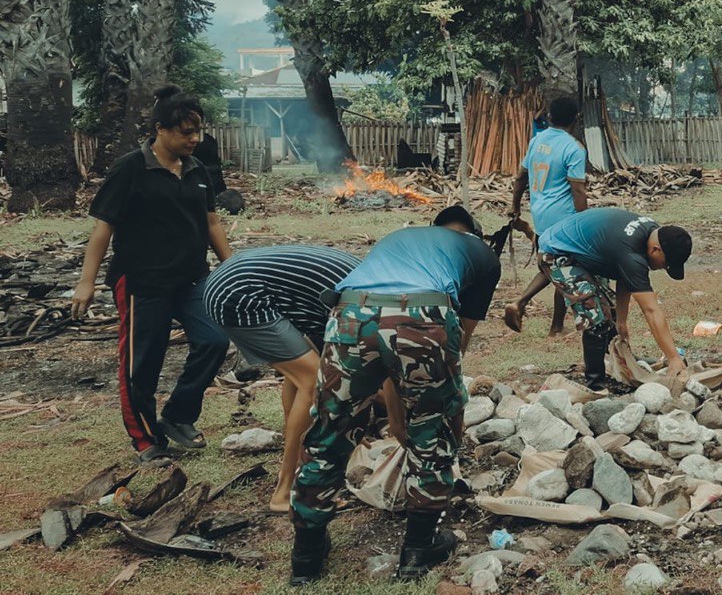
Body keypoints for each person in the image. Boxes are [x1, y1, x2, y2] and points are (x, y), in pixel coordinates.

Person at [289, 206, 501, 585]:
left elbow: (383, 349)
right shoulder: (484, 255)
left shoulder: (399, 238)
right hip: (424, 315)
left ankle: (306, 556)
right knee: (432, 430)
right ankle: (419, 549)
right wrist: (435, 406)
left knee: (329, 432)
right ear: (476, 234)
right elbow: (460, 342)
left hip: (350, 313)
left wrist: (397, 411)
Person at [70, 85, 232, 464]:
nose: (195, 139)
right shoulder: (130, 168)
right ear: (160, 129)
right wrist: (86, 282)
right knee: (142, 363)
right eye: (186, 132)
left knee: (214, 340)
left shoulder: (198, 169)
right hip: (142, 283)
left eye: (198, 131)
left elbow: (211, 222)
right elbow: (103, 227)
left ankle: (177, 416)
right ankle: (145, 439)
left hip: (192, 279)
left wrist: (233, 268)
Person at [202, 245, 361, 512]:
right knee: (314, 380)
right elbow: (366, 373)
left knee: (303, 372)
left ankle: (296, 455)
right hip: (240, 293)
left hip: (234, 282)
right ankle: (285, 492)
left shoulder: (367, 284)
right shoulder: (367, 304)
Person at [536, 207, 693, 390]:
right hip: (556, 251)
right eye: (665, 265)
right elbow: (651, 310)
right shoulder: (632, 253)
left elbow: (625, 276)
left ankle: (616, 360)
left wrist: (622, 321)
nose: (662, 268)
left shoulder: (653, 233)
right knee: (594, 314)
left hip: (580, 246)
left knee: (611, 310)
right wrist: (673, 358)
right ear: (656, 250)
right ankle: (596, 381)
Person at [505, 96, 588, 335]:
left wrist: (515, 206)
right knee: (560, 269)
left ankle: (555, 324)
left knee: (551, 267)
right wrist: (584, 222)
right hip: (563, 219)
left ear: (549, 117)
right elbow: (578, 190)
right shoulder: (574, 148)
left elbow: (521, 176)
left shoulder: (537, 141)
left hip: (541, 215)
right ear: (576, 119)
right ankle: (531, 310)